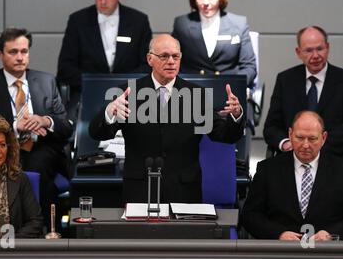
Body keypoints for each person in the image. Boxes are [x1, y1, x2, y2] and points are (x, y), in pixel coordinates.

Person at [89, 34, 245, 203]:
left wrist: (236, 116)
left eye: (175, 56)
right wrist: (109, 112)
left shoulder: (196, 95)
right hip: (140, 191)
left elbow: (224, 136)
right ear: (150, 59)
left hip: (183, 193)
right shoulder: (128, 93)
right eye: (164, 56)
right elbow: (96, 133)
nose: (171, 61)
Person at [0, 28, 73, 229]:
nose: (20, 57)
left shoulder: (46, 81)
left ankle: (38, 229)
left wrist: (45, 121)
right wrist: (14, 127)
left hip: (41, 148)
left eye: (24, 51)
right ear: (0, 54)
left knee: (39, 166)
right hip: (4, 151)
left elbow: (66, 127)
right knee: (39, 179)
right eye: (13, 52)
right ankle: (43, 229)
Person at [241, 111, 343, 241]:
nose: (305, 145)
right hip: (281, 251)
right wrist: (278, 234)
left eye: (312, 139)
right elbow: (250, 215)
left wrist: (331, 234)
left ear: (324, 138)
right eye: (300, 137)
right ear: (290, 134)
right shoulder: (267, 169)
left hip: (327, 252)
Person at [57, 0, 153, 117]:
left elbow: (147, 66)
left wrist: (121, 86)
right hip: (87, 95)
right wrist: (95, 84)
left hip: (130, 97)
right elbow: (65, 68)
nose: (102, 1)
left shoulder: (138, 21)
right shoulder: (78, 21)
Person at [263, 26, 343, 162]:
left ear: (327, 47)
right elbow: (271, 127)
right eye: (309, 50)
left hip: (334, 160)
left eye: (319, 49)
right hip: (292, 161)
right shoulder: (285, 80)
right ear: (298, 52)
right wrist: (287, 144)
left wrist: (315, 147)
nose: (316, 55)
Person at [172, 0, 256, 88]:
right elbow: (172, 62)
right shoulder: (182, 24)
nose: (206, 2)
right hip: (192, 92)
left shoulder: (239, 23)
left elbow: (249, 67)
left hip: (229, 91)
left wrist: (235, 86)